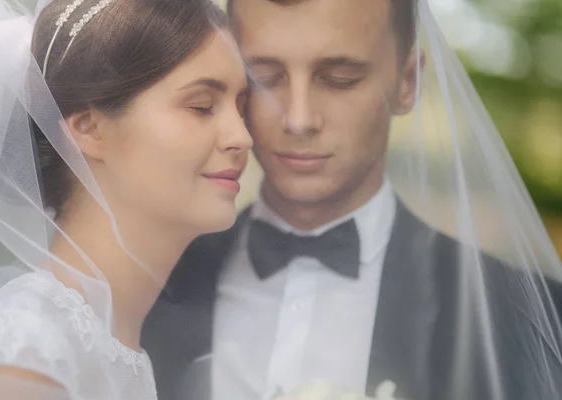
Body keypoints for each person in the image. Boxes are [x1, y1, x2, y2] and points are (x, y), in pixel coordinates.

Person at [142, 0, 562, 400]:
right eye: (264, 78)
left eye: (339, 78)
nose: (299, 119)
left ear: (407, 82)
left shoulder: (528, 319)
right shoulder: (143, 285)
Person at [0, 0, 251, 399]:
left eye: (242, 107)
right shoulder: (22, 357)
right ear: (88, 128)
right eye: (202, 106)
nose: (242, 137)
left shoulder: (117, 346)